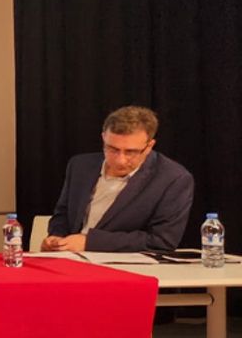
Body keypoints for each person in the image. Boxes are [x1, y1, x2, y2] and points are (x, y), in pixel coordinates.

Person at [41, 105, 193, 253]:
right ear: (103, 138)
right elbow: (63, 214)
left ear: (149, 146)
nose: (120, 160)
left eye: (130, 152)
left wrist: (89, 242)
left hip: (124, 264)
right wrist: (56, 237)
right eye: (112, 149)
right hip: (71, 257)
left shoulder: (173, 179)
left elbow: (162, 240)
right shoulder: (80, 166)